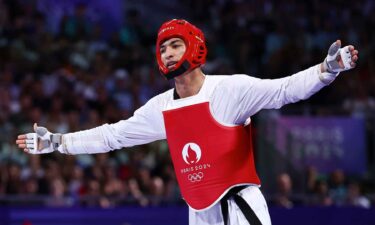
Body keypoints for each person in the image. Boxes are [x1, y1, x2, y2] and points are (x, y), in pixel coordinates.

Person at [16, 19, 359, 225]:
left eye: (175, 45)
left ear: (194, 48)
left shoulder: (230, 89)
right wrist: (57, 143)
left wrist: (326, 70)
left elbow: (285, 90)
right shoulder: (160, 108)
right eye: (162, 48)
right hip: (199, 212)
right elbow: (111, 137)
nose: (167, 53)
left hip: (239, 207)